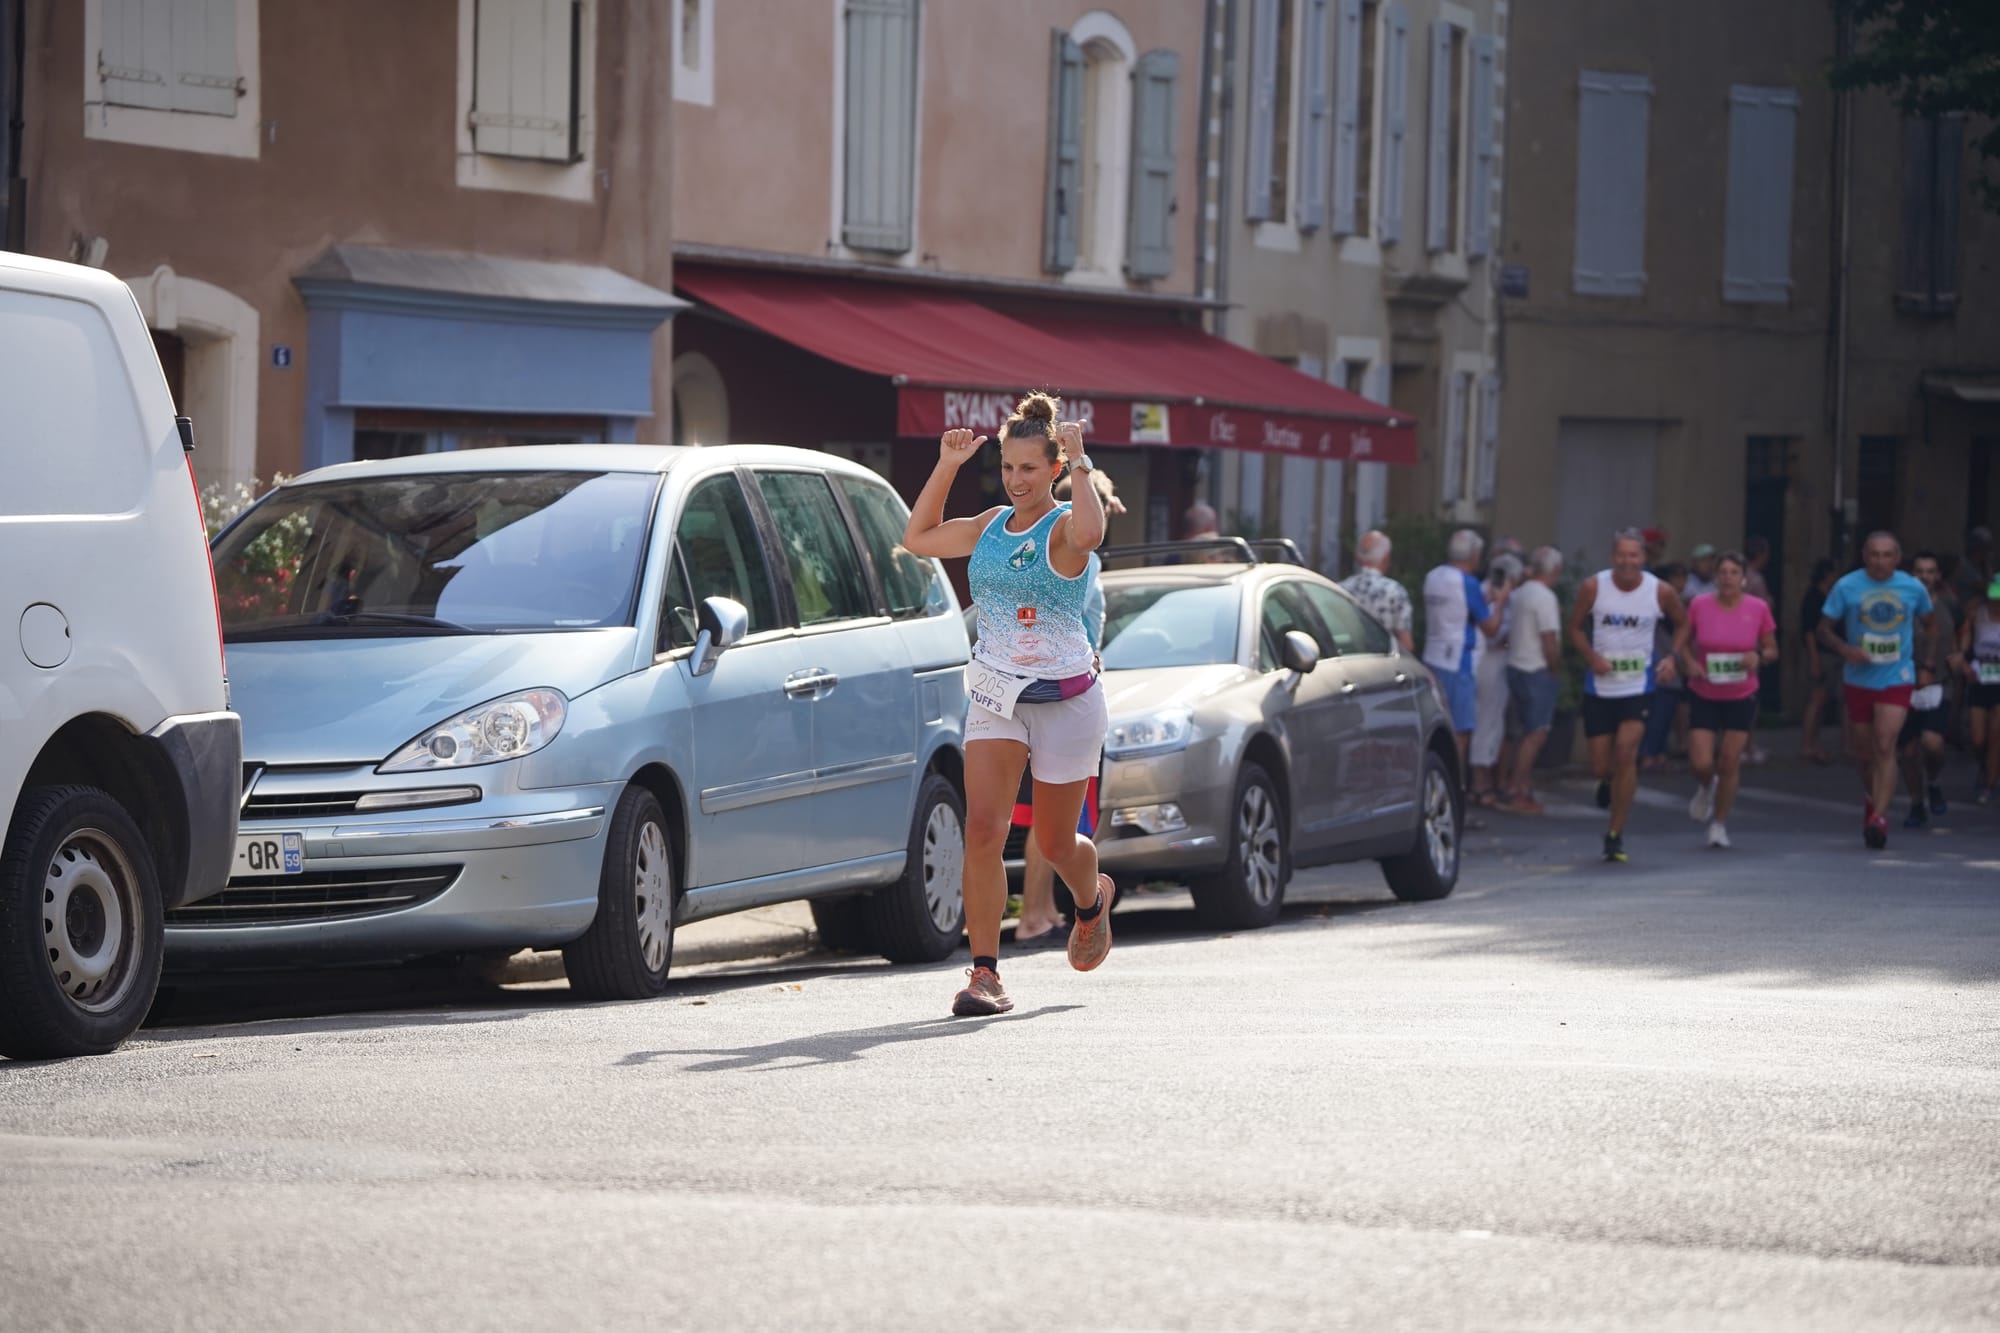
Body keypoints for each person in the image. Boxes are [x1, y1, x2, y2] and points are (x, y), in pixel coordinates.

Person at [902, 392, 1112, 1016]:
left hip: (1066, 699)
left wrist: (1080, 459)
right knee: (986, 832)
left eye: (1029, 469)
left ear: (1051, 470)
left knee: (1054, 842)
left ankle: (1090, 899)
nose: (1017, 481)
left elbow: (1093, 530)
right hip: (996, 692)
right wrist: (947, 463)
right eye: (1008, 468)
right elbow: (918, 537)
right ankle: (985, 974)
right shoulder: (991, 525)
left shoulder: (1065, 529)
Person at [1015, 467, 1125, 945]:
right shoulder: (1081, 554)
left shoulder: (1035, 546)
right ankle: (1038, 913)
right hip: (1065, 689)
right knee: (1055, 814)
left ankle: (1038, 911)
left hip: (1035, 688)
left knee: (1044, 814)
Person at [1569, 528, 1686, 863]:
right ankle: (1604, 781)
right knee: (1601, 765)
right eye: (1621, 555)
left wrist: (1671, 658)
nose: (1627, 562)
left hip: (1638, 686)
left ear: (1643, 558)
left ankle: (1615, 834)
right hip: (1600, 686)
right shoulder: (1594, 586)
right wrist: (1592, 658)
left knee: (1626, 754)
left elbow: (1683, 623)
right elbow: (1575, 626)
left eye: (1634, 555)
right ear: (1612, 557)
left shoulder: (1659, 591)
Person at [1816, 531, 1935, 850]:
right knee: (1864, 755)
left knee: (1885, 744)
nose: (1880, 561)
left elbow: (1932, 624)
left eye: (1887, 555)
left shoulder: (1912, 588)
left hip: (1897, 675)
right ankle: (1872, 797)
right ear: (1865, 556)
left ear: (1897, 558)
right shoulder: (1847, 586)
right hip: (1859, 678)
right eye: (1874, 555)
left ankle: (1879, 818)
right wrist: (1844, 649)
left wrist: (1927, 665)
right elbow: (1823, 629)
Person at [1675, 551, 1779, 848]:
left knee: (1729, 760)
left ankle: (1719, 824)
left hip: (1741, 693)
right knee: (1700, 762)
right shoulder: (1700, 605)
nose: (1728, 578)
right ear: (1716, 577)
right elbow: (1681, 643)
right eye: (1723, 572)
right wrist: (1689, 663)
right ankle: (1708, 786)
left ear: (1743, 578)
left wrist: (1758, 656)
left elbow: (1772, 650)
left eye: (1734, 572)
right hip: (1704, 691)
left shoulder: (1757, 608)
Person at [1423, 529, 1511, 773]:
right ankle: (1454, 785)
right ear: (1474, 555)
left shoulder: (1434, 576)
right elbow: (1492, 628)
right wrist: (1500, 602)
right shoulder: (1467, 582)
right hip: (1457, 660)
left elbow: (1458, 607)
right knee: (1460, 732)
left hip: (1432, 655)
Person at [1502, 546, 1565, 814]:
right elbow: (1549, 639)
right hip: (1536, 668)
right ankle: (1518, 790)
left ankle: (1510, 784)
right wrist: (1555, 668)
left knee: (1516, 733)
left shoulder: (1520, 592)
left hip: (1515, 665)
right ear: (1555, 571)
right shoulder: (1545, 597)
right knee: (1536, 732)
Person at [1899, 550, 1958, 829]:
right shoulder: (1901, 604)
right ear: (1912, 574)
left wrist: (1961, 655)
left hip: (1939, 684)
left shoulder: (1949, 604)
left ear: (1938, 576)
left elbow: (1964, 631)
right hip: (1904, 684)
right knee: (1908, 752)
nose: (1925, 576)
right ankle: (1916, 804)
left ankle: (1933, 782)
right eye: (1919, 571)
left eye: (1930, 571)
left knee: (1932, 742)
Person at [1470, 550, 1525, 806]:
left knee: (1489, 722)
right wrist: (1501, 604)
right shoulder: (1491, 594)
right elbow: (1492, 633)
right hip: (1488, 663)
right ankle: (1480, 784)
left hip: (1490, 663)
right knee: (1487, 722)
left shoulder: (1488, 590)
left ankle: (1484, 780)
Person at [1639, 561, 1688, 772]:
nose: (1682, 582)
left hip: (1658, 667)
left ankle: (1657, 753)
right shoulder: (1666, 606)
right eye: (1678, 577)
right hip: (1663, 667)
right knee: (1660, 713)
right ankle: (1650, 754)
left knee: (1662, 714)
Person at [1957, 577, 2000, 804]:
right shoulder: (1977, 614)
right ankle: (1985, 767)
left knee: (1996, 735)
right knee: (1977, 738)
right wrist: (1964, 664)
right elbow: (1964, 644)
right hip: (1980, 679)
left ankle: (1990, 784)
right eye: (1994, 597)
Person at [1798, 558, 1845, 765]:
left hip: (1835, 653)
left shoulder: (1832, 596)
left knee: (1824, 701)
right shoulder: (1814, 597)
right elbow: (1808, 631)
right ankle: (1808, 745)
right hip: (1821, 653)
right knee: (1816, 699)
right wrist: (1814, 658)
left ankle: (1815, 743)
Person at [1342, 529, 1416, 654]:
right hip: (1383, 664)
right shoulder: (1395, 591)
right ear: (1386, 558)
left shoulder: (1341, 588)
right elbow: (1406, 644)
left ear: (1357, 557)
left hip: (1348, 659)